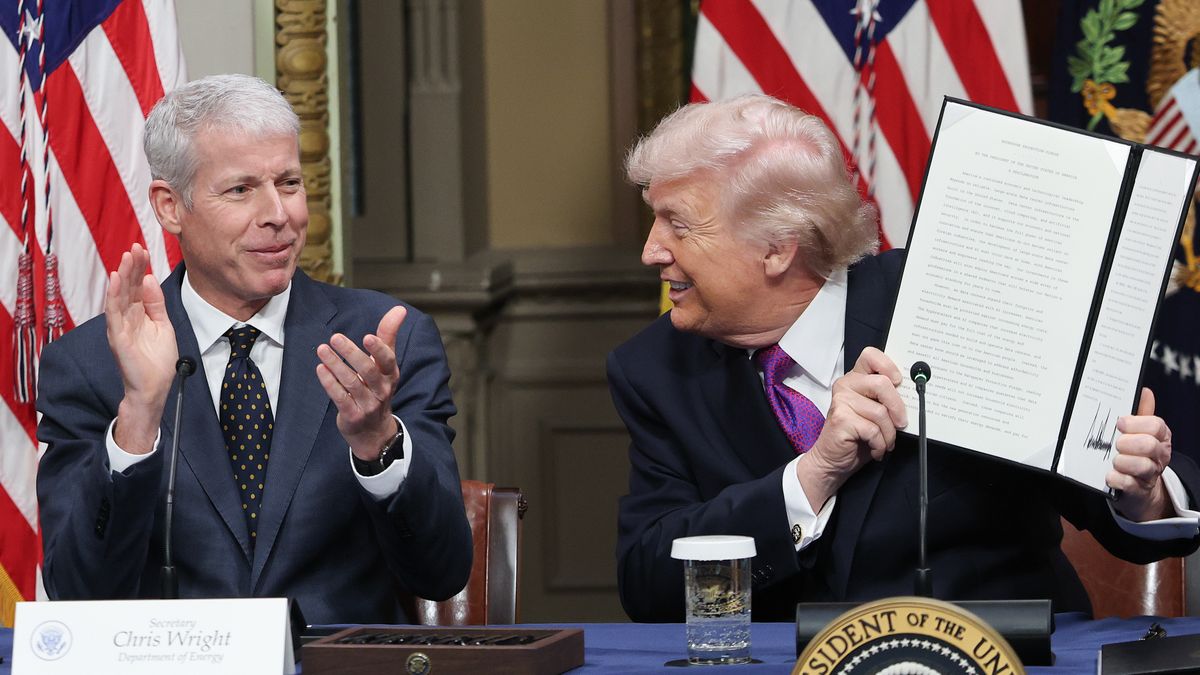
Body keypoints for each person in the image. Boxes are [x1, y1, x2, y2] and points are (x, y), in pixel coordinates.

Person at [608, 94, 1200, 622]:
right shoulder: (655, 369)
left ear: (776, 248)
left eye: (677, 225)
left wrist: (1142, 492)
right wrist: (812, 477)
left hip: (1001, 659)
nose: (649, 251)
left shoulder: (962, 300)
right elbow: (651, 587)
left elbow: (1124, 515)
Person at [36, 74, 472, 624]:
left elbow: (442, 572)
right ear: (170, 206)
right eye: (241, 189)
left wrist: (377, 444)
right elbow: (79, 600)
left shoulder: (384, 340)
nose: (279, 215)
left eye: (288, 183)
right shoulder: (91, 365)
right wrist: (139, 420)